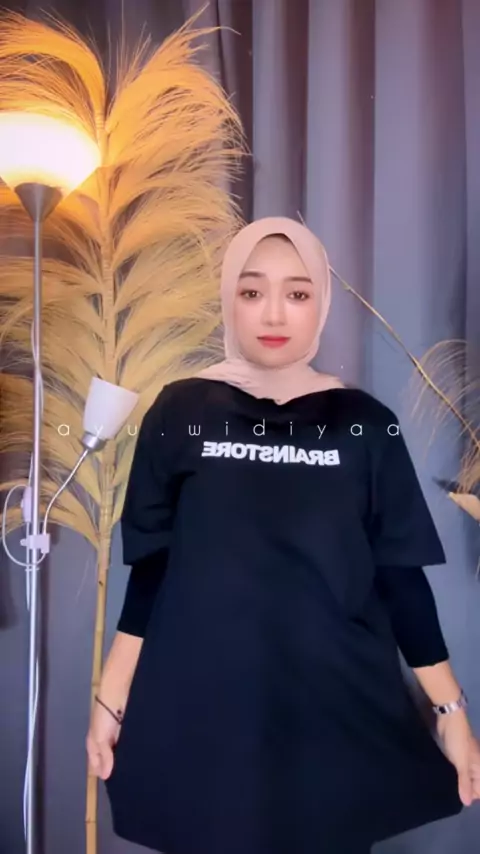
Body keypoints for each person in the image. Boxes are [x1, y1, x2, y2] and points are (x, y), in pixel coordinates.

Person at [86, 217, 480, 854]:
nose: (274, 313)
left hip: (333, 715)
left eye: (297, 293)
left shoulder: (364, 423)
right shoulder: (180, 411)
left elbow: (401, 580)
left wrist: (452, 714)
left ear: (321, 303)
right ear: (229, 299)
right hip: (203, 710)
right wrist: (110, 701)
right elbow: (152, 570)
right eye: (252, 291)